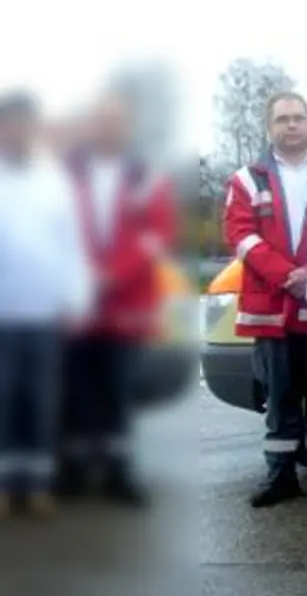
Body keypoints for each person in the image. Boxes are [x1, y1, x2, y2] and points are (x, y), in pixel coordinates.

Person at [223, 90, 307, 508]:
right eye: (282, 119)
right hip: (272, 303)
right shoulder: (247, 178)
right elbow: (241, 236)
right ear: (269, 127)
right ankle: (280, 476)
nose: (291, 125)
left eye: (298, 117)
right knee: (279, 392)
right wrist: (287, 275)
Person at [59, 82, 178, 506]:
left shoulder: (145, 174)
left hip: (127, 307)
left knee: (118, 395)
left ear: (127, 126)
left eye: (116, 120)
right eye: (101, 119)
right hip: (75, 307)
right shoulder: (66, 171)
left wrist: (110, 275)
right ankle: (73, 471)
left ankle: (117, 473)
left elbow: (155, 236)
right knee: (76, 393)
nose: (108, 127)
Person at [0, 91, 93, 518]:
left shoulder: (52, 180)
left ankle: (36, 484)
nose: (16, 131)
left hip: (43, 314)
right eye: (9, 123)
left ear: (33, 128)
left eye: (24, 123)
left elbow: (72, 245)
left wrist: (76, 300)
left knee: (40, 400)